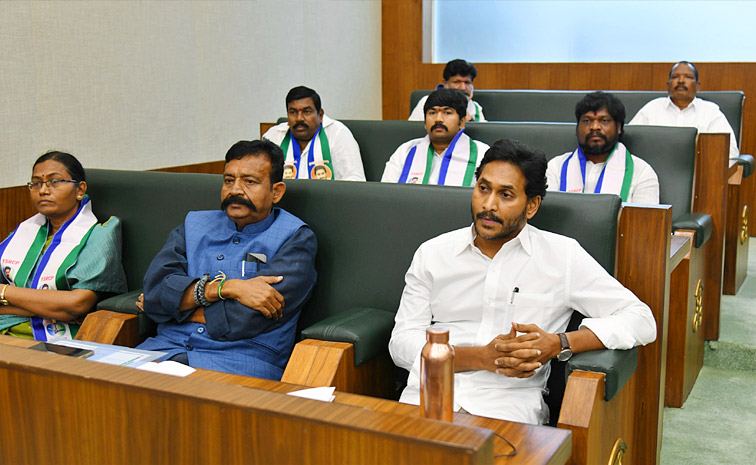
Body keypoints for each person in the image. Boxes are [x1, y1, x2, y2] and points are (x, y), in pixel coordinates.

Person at [389, 138, 657, 424]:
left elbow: (641, 319)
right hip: (427, 397)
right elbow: (401, 343)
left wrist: (560, 343)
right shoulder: (433, 252)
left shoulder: (561, 256)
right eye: (483, 188)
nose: (488, 205)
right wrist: (479, 358)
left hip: (509, 407)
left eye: (506, 195)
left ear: (531, 206)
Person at [136, 140, 317, 381]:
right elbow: (156, 290)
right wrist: (225, 288)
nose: (235, 190)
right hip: (162, 351)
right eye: (228, 180)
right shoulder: (192, 226)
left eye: (249, 182)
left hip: (240, 362)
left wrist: (170, 307)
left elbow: (244, 318)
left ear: (276, 191)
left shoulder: (295, 238)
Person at [0, 151, 127, 340]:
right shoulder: (22, 233)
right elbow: (65, 309)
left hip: (57, 340)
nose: (43, 190)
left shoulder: (98, 235)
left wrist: (4, 292)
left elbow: (76, 305)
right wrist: (46, 308)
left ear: (80, 190)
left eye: (55, 182)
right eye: (36, 183)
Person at [547, 91, 660, 204]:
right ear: (577, 128)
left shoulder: (642, 172)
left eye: (604, 120)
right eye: (587, 121)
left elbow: (645, 220)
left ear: (619, 127)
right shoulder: (555, 168)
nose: (594, 127)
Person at [629, 61, 740, 159]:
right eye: (675, 77)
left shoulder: (710, 112)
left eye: (688, 77)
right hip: (655, 173)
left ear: (698, 86)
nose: (681, 81)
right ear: (668, 85)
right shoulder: (652, 109)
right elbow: (630, 144)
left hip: (699, 176)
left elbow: (730, 152)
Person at [382, 89, 489, 186]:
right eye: (432, 113)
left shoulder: (482, 153)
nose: (438, 119)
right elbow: (386, 194)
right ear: (424, 122)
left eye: (447, 113)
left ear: (462, 122)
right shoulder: (406, 151)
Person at [262, 86, 366, 181]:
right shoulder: (273, 136)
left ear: (320, 115)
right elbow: (260, 178)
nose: (299, 118)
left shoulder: (338, 134)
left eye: (306, 112)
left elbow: (356, 180)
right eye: (293, 112)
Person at [409, 59, 486, 122]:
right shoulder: (426, 101)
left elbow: (482, 136)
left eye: (467, 82)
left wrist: (470, 120)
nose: (463, 88)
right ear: (445, 84)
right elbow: (413, 131)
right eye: (457, 82)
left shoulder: (475, 107)